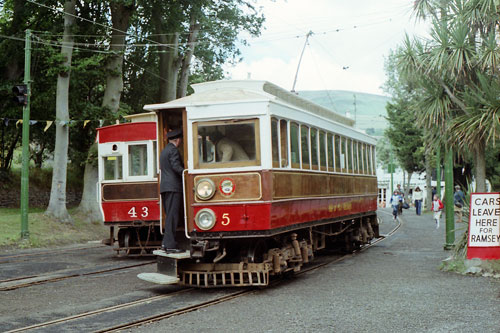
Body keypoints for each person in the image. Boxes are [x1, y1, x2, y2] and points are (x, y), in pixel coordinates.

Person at [160, 128, 184, 254]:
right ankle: (170, 245)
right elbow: (175, 166)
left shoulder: (164, 150)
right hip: (173, 187)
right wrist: (185, 173)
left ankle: (165, 243)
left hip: (165, 187)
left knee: (169, 215)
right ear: (178, 140)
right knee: (172, 216)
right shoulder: (173, 150)